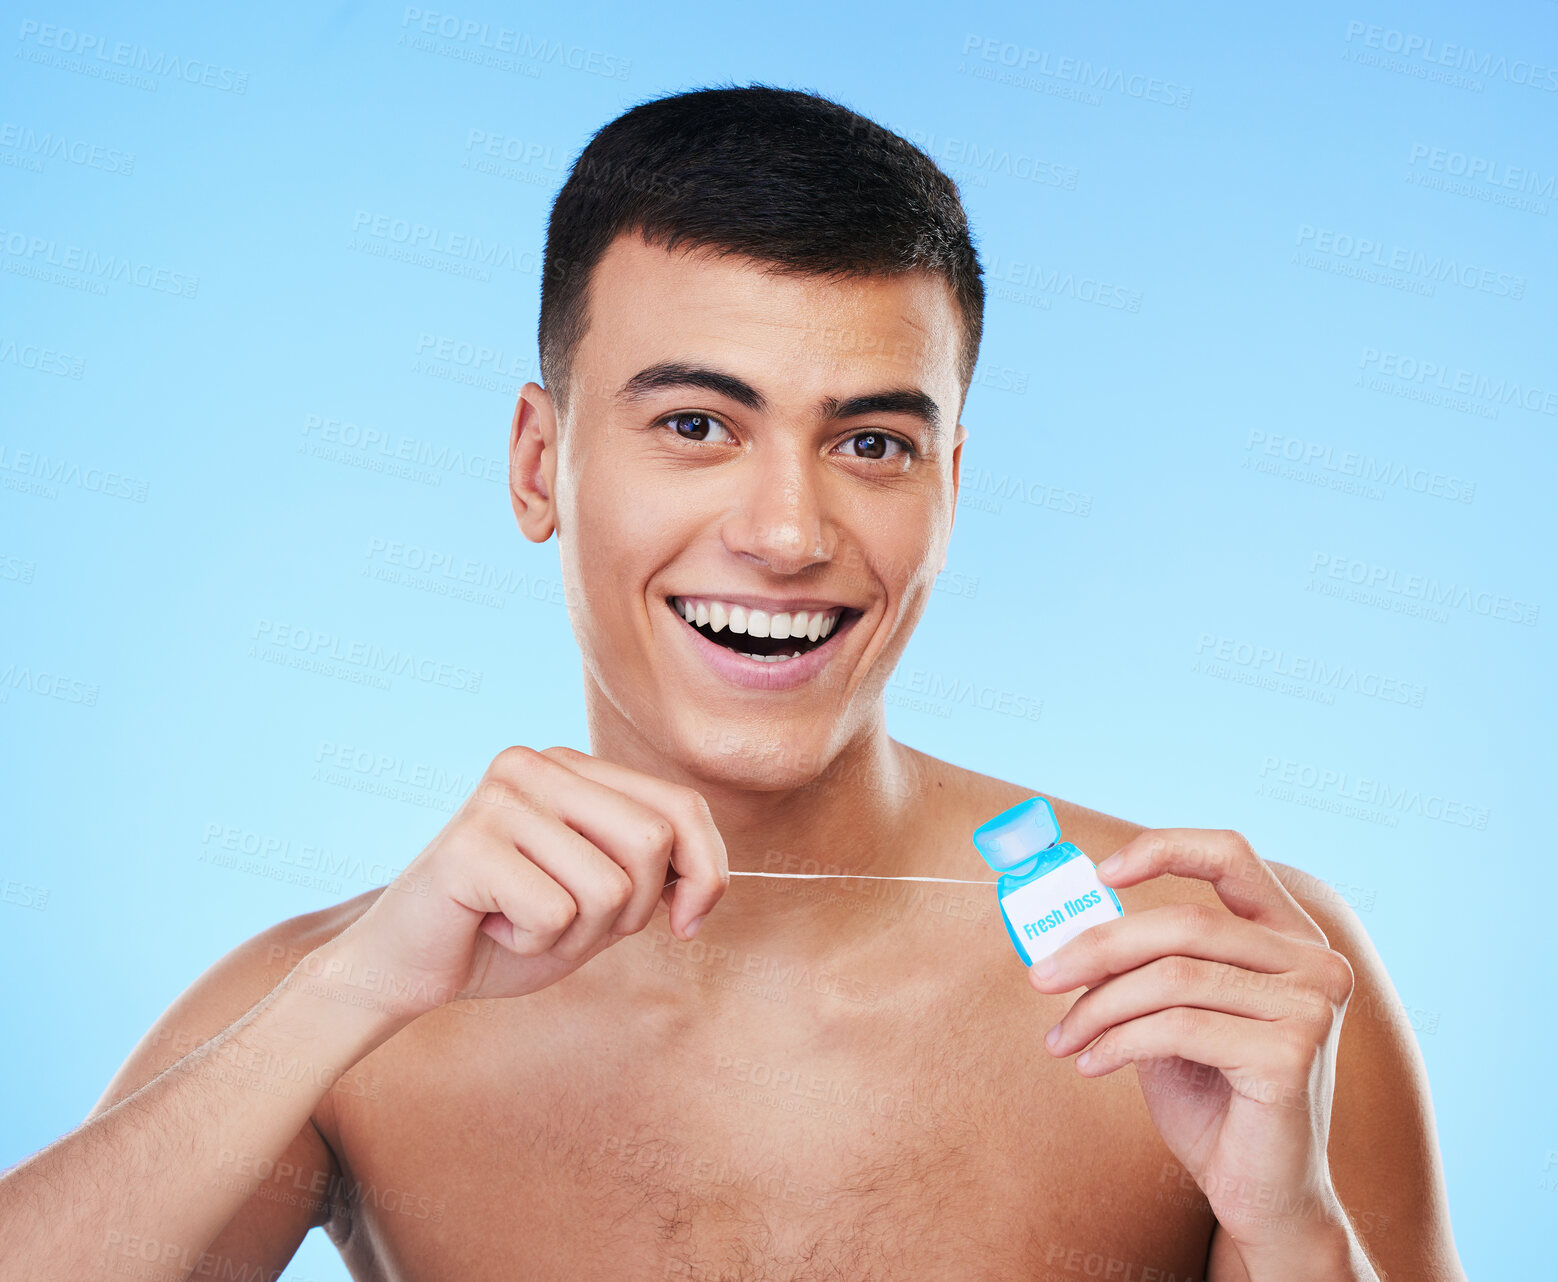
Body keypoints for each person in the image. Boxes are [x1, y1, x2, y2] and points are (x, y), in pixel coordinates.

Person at [0, 84, 1466, 1282]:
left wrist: (1289, 1229)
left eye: (872, 443)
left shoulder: (1219, 983)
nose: (785, 533)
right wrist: (349, 994)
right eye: (696, 423)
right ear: (535, 464)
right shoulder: (336, 1016)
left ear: (951, 484)